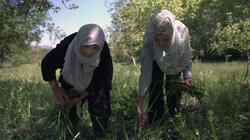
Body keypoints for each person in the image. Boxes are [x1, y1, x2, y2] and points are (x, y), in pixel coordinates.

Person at [41, 24, 113, 138]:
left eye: (94, 47)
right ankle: (68, 134)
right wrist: (56, 89)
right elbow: (47, 64)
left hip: (94, 81)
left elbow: (103, 77)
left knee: (100, 108)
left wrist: (82, 95)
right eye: (85, 46)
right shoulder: (66, 46)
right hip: (71, 78)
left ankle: (100, 135)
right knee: (68, 109)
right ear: (80, 42)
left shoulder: (103, 49)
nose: (89, 52)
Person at [137, 10, 192, 126]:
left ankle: (173, 118)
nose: (161, 44)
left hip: (176, 62)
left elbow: (186, 56)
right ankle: (156, 123)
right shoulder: (148, 38)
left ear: (172, 34)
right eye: (157, 40)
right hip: (155, 61)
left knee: (173, 89)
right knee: (155, 88)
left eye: (165, 40)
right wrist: (140, 104)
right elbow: (146, 71)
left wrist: (187, 79)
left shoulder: (182, 31)